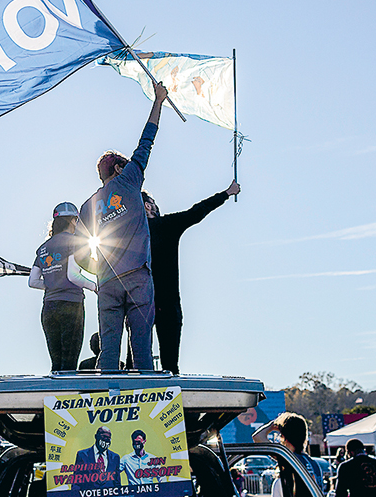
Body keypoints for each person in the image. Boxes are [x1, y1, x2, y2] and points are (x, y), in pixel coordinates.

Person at [77, 82, 169, 370]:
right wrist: (159, 101)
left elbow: (79, 254)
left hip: (107, 282)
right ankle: (145, 407)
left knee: (108, 349)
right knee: (141, 347)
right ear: (118, 169)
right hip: (138, 277)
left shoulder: (87, 206)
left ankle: (107, 401)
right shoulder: (129, 179)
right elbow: (146, 142)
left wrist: (100, 270)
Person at [143, 180, 240, 374]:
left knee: (136, 363)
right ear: (148, 206)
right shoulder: (166, 225)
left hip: (141, 303)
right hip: (168, 303)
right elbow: (197, 211)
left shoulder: (133, 234)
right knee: (170, 365)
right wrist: (226, 193)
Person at [29, 202, 97, 372]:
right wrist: (94, 286)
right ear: (74, 221)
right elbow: (73, 275)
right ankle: (66, 398)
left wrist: (53, 284)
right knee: (69, 363)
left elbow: (32, 281)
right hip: (71, 305)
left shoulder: (43, 248)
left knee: (56, 364)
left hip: (49, 308)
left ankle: (55, 397)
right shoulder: (75, 241)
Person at [253, 413, 323, 497]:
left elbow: (257, 437)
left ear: (284, 436)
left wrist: (272, 425)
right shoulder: (313, 464)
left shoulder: (289, 459)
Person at [73, 426, 121, 491]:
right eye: (103, 437)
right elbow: (76, 482)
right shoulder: (82, 455)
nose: (106, 440)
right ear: (96, 437)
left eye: (108, 438)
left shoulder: (115, 457)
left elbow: (117, 483)